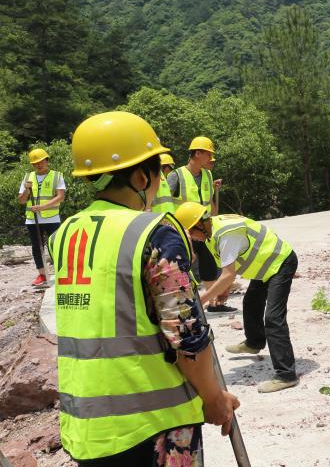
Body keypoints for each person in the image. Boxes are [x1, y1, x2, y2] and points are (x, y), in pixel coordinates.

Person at [49, 111, 239, 465]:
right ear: (141, 175)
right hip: (153, 426)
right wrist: (214, 399)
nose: (158, 186)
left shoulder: (64, 235)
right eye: (156, 176)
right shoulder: (154, 233)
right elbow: (188, 337)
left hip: (87, 426)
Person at [175, 202, 300, 393]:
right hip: (265, 267)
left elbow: (228, 275)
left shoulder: (226, 234)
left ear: (200, 224)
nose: (192, 237)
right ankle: (254, 343)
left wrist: (203, 298)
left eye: (191, 232)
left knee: (273, 318)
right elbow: (227, 269)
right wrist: (222, 290)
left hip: (280, 263)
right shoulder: (211, 232)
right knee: (250, 303)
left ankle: (286, 375)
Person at [168, 137, 232, 312]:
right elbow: (165, 202)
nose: (211, 158)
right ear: (197, 153)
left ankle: (213, 303)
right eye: (208, 154)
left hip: (204, 228)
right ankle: (183, 305)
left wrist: (214, 221)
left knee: (209, 264)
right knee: (183, 268)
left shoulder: (207, 175)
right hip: (183, 229)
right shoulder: (176, 176)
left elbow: (208, 200)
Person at [17, 148, 65, 287]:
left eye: (41, 161)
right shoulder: (27, 177)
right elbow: (21, 200)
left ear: (47, 160)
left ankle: (61, 274)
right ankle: (42, 275)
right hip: (32, 218)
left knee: (55, 246)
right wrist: (26, 189)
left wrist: (42, 207)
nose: (38, 165)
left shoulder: (57, 176)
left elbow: (60, 197)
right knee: (37, 247)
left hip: (52, 218)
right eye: (35, 163)